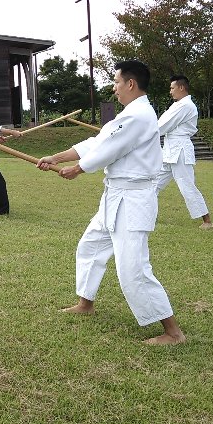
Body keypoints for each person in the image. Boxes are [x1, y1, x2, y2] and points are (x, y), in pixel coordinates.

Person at [37, 60, 185, 346]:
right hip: (114, 196)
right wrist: (56, 158)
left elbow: (108, 150)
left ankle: (173, 332)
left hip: (133, 199)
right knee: (91, 246)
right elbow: (97, 142)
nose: (114, 88)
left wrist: (78, 169)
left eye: (117, 82)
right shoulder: (129, 115)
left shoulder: (138, 116)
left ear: (130, 83)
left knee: (133, 269)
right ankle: (86, 303)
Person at [155, 75, 213, 229]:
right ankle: (145, 214)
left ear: (181, 87)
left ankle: (207, 220)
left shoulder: (186, 106)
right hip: (168, 150)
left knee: (186, 186)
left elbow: (164, 125)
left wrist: (141, 134)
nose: (170, 91)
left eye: (172, 88)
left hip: (180, 150)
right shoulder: (177, 105)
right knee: (153, 182)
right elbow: (161, 124)